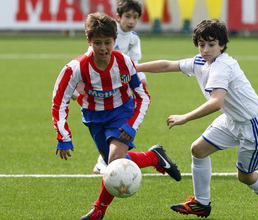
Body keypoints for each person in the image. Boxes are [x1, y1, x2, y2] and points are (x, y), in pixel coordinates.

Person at [136, 19, 258, 219]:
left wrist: (185, 117)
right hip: (232, 120)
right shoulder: (200, 61)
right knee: (198, 149)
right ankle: (201, 204)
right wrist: (134, 67)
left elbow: (216, 102)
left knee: (245, 176)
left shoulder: (222, 66)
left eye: (211, 44)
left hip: (253, 126)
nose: (205, 49)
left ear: (222, 45)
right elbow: (168, 65)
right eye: (202, 44)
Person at [52, 12, 181, 220]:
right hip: (93, 118)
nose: (103, 48)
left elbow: (142, 96)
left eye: (107, 42)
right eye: (97, 43)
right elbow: (59, 101)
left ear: (115, 41)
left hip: (121, 112)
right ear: (89, 41)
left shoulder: (124, 62)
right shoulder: (75, 67)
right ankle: (154, 157)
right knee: (115, 162)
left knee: (114, 160)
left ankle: (98, 211)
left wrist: (131, 125)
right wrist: (63, 136)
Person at [92, 0, 148, 175]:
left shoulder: (134, 38)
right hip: (103, 85)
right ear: (118, 17)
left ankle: (105, 159)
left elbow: (134, 62)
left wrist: (142, 79)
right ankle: (105, 158)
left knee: (122, 121)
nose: (131, 21)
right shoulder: (109, 33)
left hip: (122, 85)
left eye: (135, 18)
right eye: (128, 16)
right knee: (103, 121)